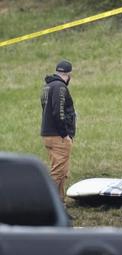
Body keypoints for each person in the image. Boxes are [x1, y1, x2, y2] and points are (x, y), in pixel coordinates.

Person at [40, 60, 76, 201]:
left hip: (47, 134)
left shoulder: (47, 86)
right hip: (58, 136)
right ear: (68, 74)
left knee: (62, 171)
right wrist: (65, 134)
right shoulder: (60, 87)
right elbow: (58, 112)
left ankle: (59, 205)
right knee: (58, 172)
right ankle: (47, 205)